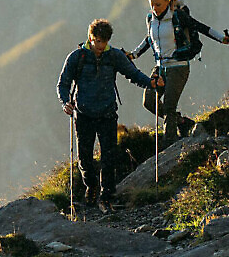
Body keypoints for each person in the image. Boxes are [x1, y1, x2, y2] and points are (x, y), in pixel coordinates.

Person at [58, 18, 161, 212]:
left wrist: (151, 84)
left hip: (107, 113)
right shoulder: (77, 57)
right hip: (83, 114)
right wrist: (65, 102)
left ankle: (106, 197)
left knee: (109, 157)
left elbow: (133, 74)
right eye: (97, 41)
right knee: (84, 159)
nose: (100, 46)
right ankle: (92, 186)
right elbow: (63, 83)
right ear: (90, 37)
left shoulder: (114, 56)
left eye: (103, 42)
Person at [127, 0, 229, 145]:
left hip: (179, 66)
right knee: (148, 101)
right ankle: (181, 122)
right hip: (160, 67)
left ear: (168, 2)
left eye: (158, 5)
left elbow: (200, 27)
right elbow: (149, 39)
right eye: (151, 5)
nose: (154, 8)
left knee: (169, 105)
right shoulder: (151, 19)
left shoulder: (178, 16)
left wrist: (222, 38)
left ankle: (170, 143)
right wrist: (134, 54)